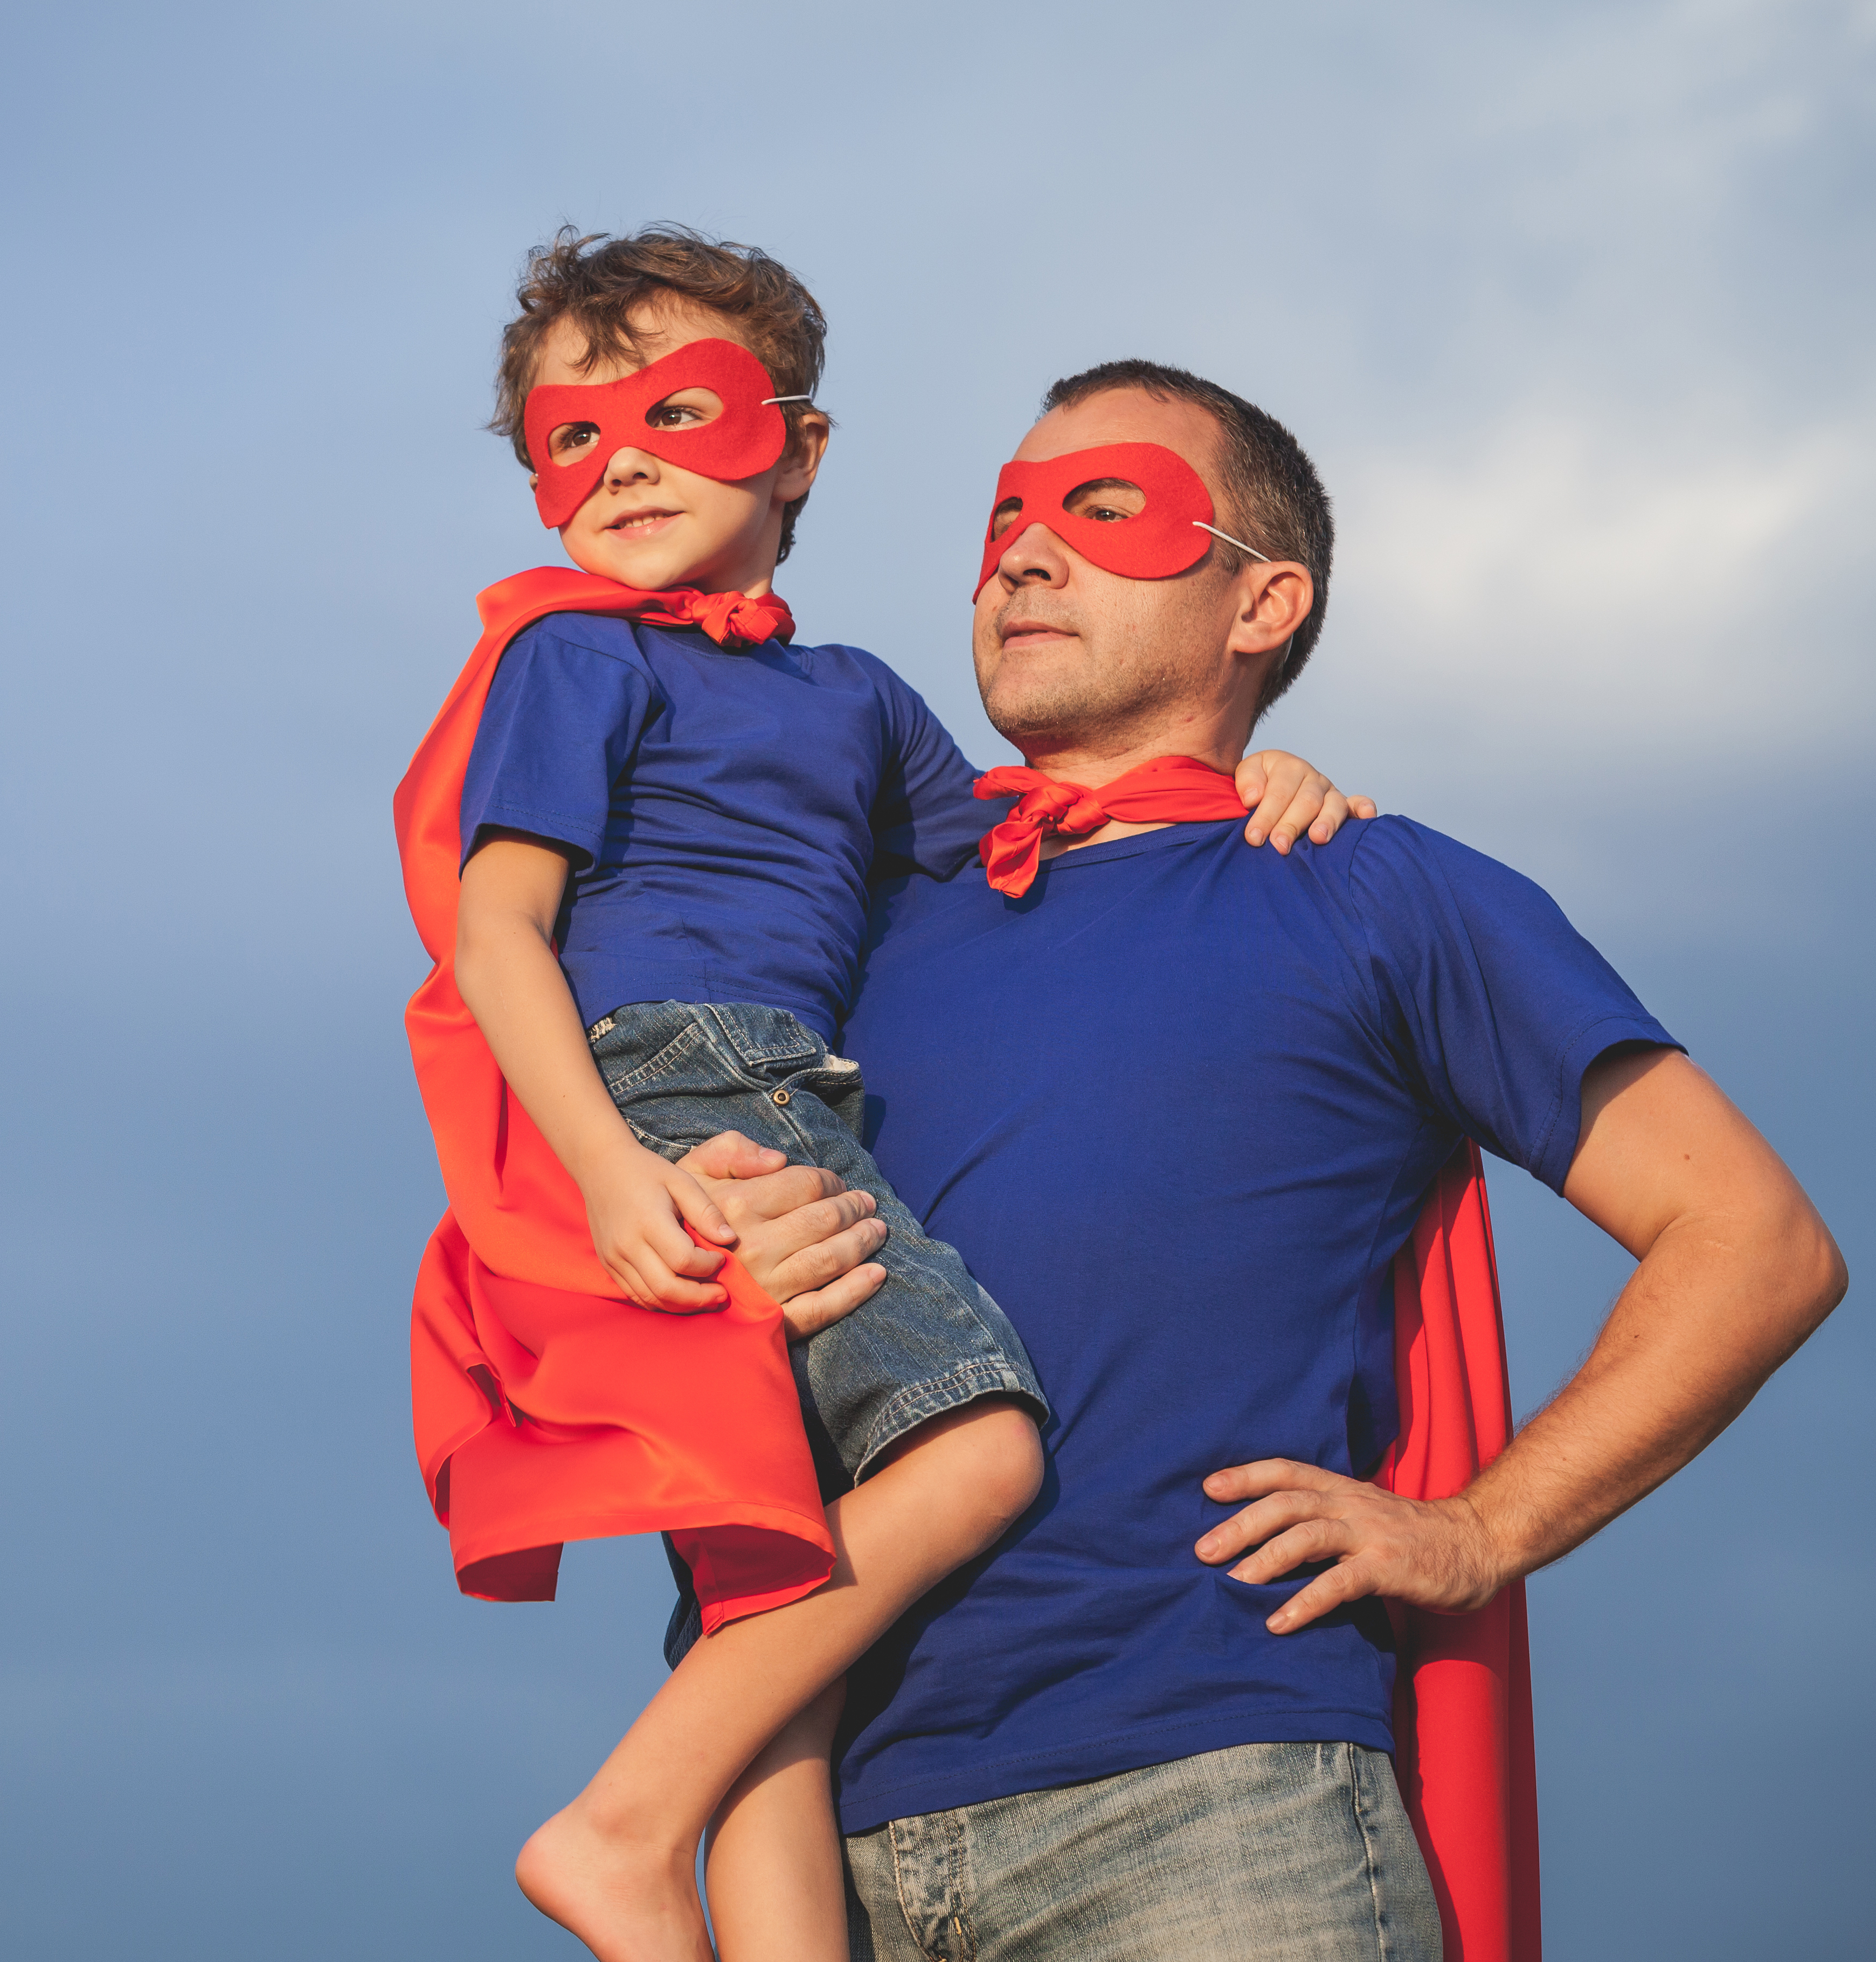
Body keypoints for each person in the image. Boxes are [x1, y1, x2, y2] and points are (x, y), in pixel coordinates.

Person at [666, 359, 1847, 1960]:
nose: (1020, 552)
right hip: (796, 1833)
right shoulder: (842, 913)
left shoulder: (1367, 888)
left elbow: (1752, 1239)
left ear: (1261, 601)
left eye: (1102, 512)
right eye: (1003, 515)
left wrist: (1477, 1531)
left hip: (1209, 1818)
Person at [399, 230, 1368, 1962]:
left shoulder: (850, 698)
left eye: (673, 412)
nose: (618, 459)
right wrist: (615, 1178)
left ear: (797, 445)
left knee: (778, 1587)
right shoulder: (579, 657)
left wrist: (1251, 776)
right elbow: (495, 936)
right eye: (572, 437)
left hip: (769, 1101)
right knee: (979, 1449)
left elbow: (1031, 834)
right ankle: (622, 1831)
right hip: (681, 1085)